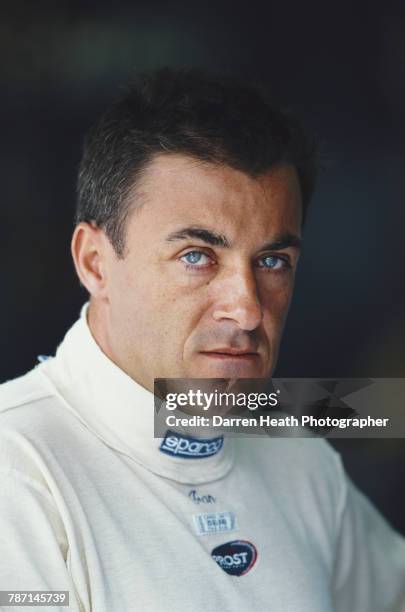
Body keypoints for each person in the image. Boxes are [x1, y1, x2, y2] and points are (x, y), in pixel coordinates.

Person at [0, 68, 404, 612]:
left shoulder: (298, 452)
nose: (247, 308)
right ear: (95, 263)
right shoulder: (19, 470)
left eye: (272, 261)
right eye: (197, 256)